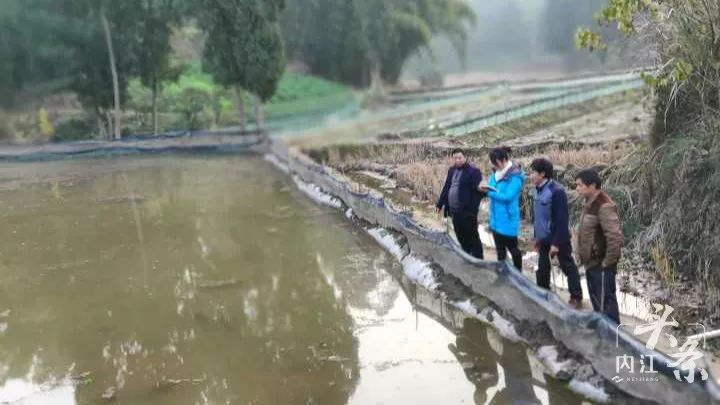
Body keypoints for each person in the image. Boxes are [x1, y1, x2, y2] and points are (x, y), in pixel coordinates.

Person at [528, 158, 583, 309]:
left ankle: (576, 297)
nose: (530, 176)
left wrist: (556, 244)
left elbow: (561, 219)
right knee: (543, 268)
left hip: (558, 238)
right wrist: (536, 237)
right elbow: (538, 217)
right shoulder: (536, 190)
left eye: (533, 172)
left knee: (567, 266)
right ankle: (543, 294)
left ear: (543, 174)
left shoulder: (556, 191)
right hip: (543, 238)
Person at [575, 168, 624, 324]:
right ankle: (603, 335)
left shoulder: (604, 205)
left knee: (606, 305)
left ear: (592, 185)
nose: (577, 189)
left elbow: (615, 237)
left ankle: (614, 340)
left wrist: (607, 263)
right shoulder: (589, 204)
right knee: (598, 301)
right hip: (592, 263)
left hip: (601, 265)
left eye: (580, 185)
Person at [480, 147, 524, 270]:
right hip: (495, 219)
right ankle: (504, 273)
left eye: (497, 162)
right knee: (500, 250)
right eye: (494, 162)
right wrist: (485, 188)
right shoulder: (495, 174)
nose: (496, 165)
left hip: (508, 219)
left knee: (513, 249)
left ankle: (518, 274)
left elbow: (508, 196)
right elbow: (490, 186)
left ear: (504, 159)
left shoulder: (515, 176)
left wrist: (490, 193)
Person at [436, 148, 484, 259]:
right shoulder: (451, 170)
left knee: (473, 237)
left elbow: (480, 192)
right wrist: (440, 204)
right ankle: (467, 257)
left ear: (465, 158)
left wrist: (473, 209)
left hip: (468, 212)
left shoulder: (473, 171)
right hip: (454, 212)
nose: (457, 160)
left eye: (460, 157)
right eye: (455, 158)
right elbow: (447, 187)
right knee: (460, 236)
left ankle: (479, 261)